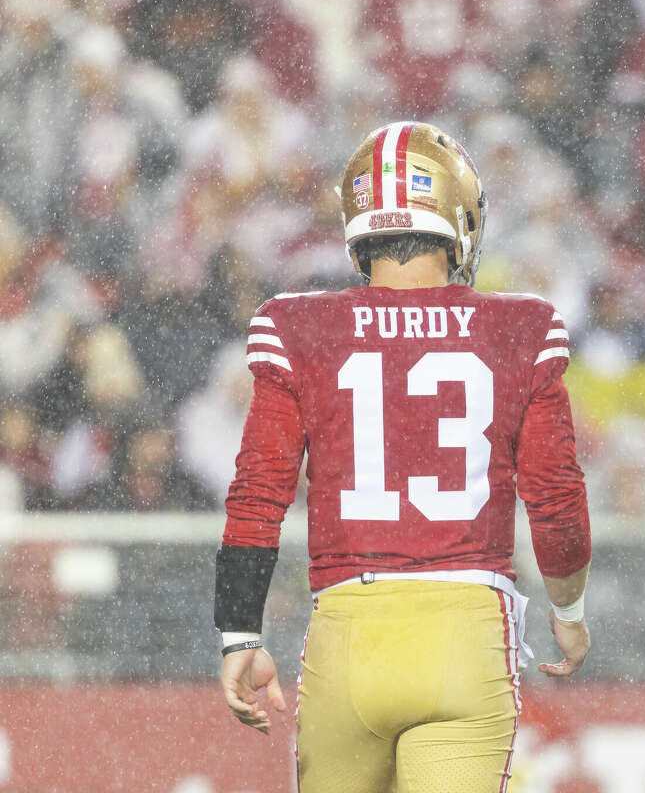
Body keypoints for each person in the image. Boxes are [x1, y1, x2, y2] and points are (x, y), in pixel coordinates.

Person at [213, 121, 592, 792]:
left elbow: (258, 492)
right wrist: (568, 610)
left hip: (348, 634)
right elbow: (556, 499)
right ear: (459, 217)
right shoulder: (521, 326)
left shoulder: (298, 325)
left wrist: (239, 631)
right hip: (467, 633)